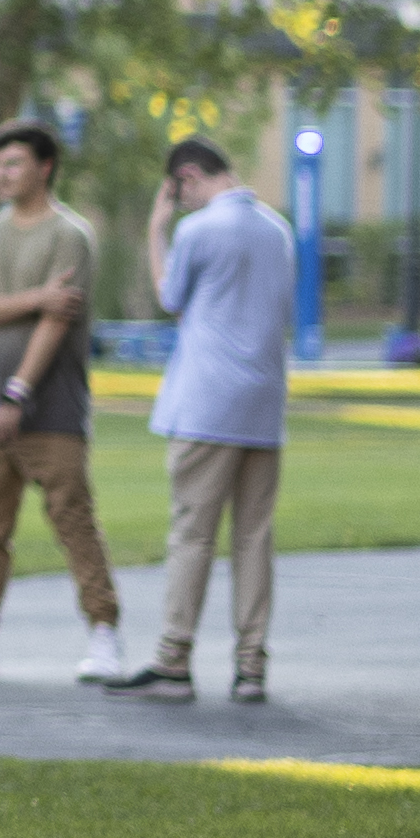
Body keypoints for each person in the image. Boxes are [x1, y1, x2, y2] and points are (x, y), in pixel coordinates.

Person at [0, 117, 127, 688]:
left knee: (73, 519)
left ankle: (104, 633)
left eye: (13, 164)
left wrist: (20, 391)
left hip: (51, 408)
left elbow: (56, 324)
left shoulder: (70, 235)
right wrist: (37, 296)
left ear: (45, 167)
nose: (1, 175)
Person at [137, 130, 304, 701]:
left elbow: (169, 297)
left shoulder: (198, 229)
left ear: (186, 177)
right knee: (254, 536)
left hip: (206, 404)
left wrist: (157, 230)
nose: (177, 201)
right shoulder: (278, 231)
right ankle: (251, 663)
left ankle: (173, 658)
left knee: (193, 533)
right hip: (263, 403)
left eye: (176, 191)